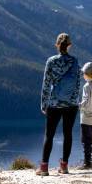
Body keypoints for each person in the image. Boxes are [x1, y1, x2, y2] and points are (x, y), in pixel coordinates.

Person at [36, 33, 81, 176]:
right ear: (69, 46)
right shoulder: (74, 61)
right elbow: (77, 84)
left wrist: (44, 104)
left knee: (49, 135)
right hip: (71, 105)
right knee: (68, 134)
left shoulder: (51, 61)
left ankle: (43, 168)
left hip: (54, 104)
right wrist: (74, 101)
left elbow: (46, 84)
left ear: (56, 45)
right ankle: (64, 166)